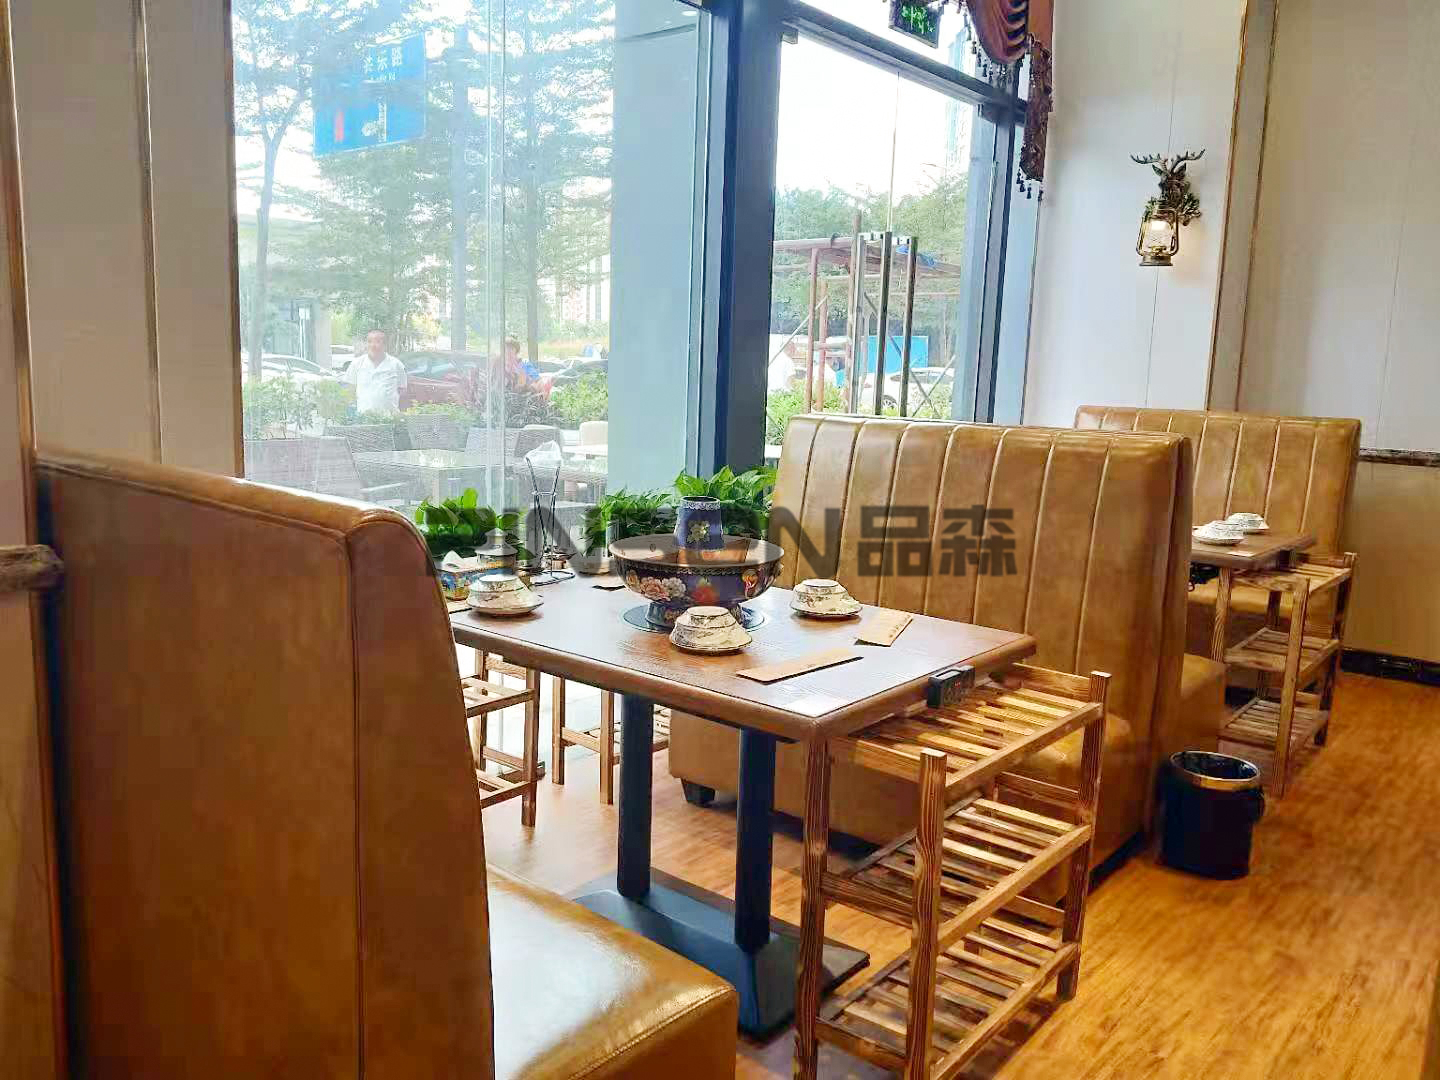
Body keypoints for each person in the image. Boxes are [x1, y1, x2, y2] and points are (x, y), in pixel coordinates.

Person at [344, 329, 407, 416]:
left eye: (377, 342)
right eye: (369, 342)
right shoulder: (356, 364)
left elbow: (402, 390)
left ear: (385, 345)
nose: (373, 345)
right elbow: (350, 390)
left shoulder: (396, 365)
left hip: (390, 419)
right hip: (364, 418)